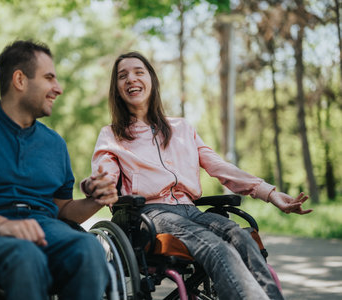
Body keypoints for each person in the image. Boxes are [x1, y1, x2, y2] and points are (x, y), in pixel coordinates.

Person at [81, 51, 312, 300]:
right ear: (116, 89)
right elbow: (105, 176)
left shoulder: (181, 128)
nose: (130, 79)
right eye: (122, 76)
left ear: (151, 80)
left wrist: (271, 193)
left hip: (191, 210)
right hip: (150, 214)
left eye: (139, 72)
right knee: (214, 246)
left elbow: (219, 167)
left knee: (241, 236)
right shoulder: (111, 135)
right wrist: (96, 185)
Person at [0, 40, 118, 300]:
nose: (58, 89)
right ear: (19, 79)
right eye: (49, 78)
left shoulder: (55, 143)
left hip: (43, 228)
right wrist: (4, 225)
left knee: (90, 249)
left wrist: (95, 201)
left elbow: (62, 209)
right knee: (25, 256)